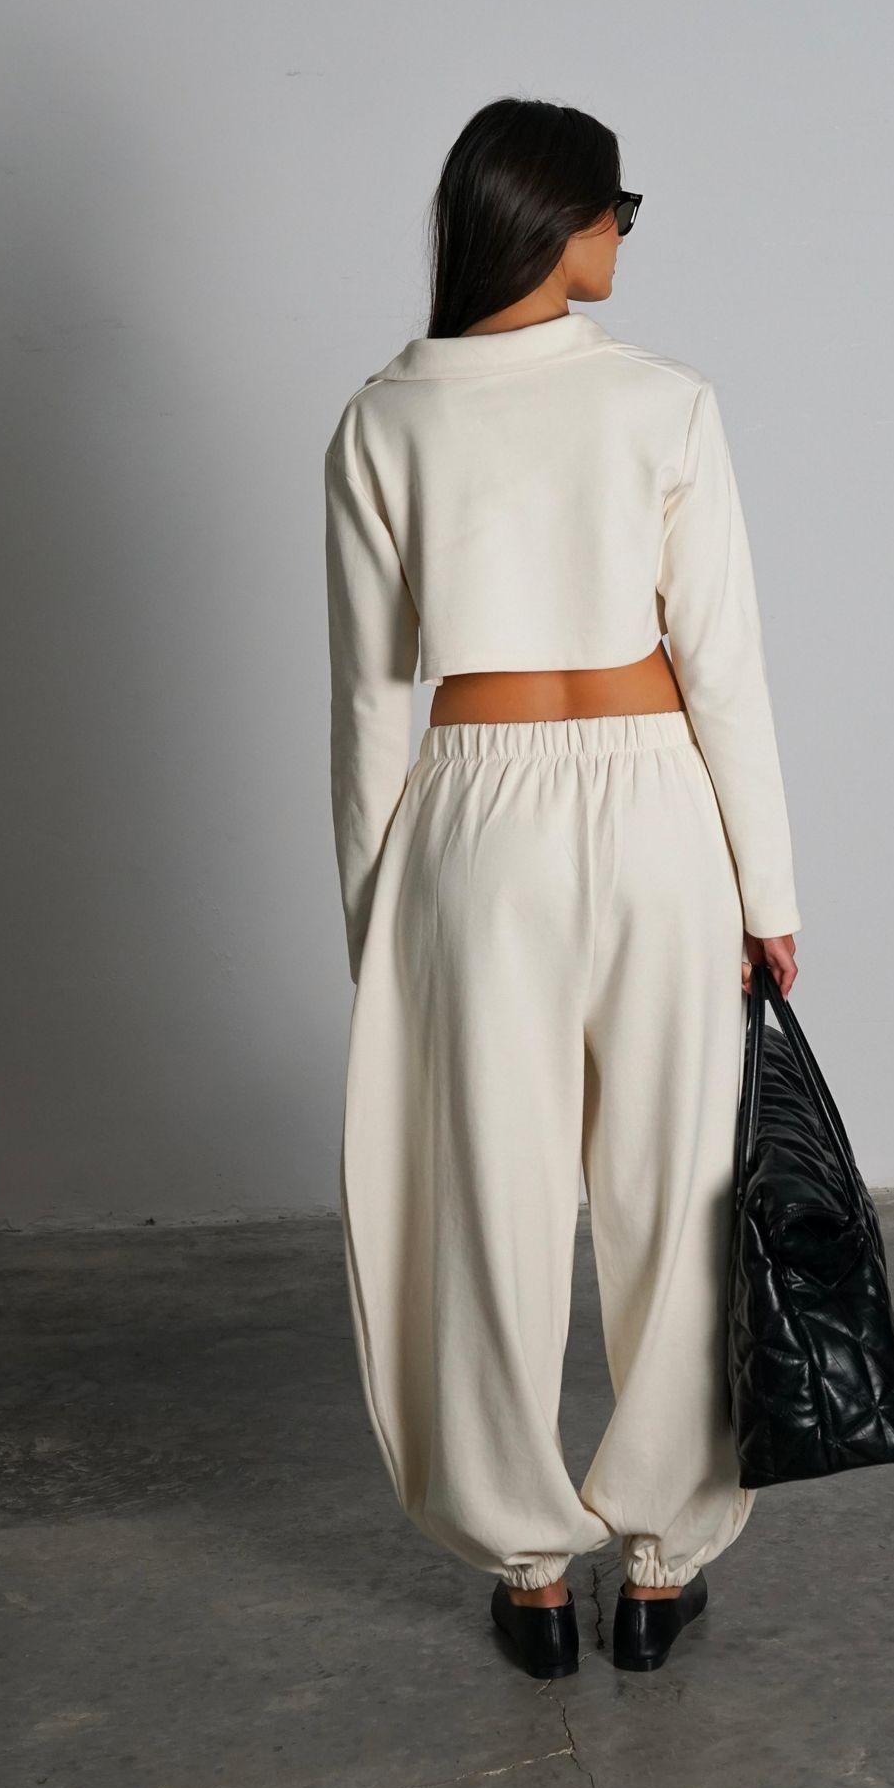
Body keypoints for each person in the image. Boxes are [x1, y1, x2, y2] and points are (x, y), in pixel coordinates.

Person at [324, 96, 802, 1680]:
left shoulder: (382, 419)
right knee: (680, 1188)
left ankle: (531, 1573)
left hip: (473, 820)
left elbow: (368, 702)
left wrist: (376, 919)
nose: (623, 240)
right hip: (658, 805)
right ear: (565, 221)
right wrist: (767, 886)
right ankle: (659, 1565)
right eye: (620, 211)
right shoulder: (664, 401)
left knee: (488, 1194)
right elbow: (722, 667)